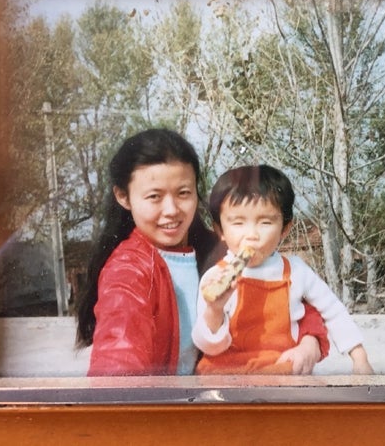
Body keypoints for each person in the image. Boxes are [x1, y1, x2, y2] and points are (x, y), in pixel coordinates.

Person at [75, 129, 329, 376]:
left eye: (183, 193)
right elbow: (119, 357)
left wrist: (311, 341)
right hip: (164, 410)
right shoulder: (128, 270)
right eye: (154, 197)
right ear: (123, 196)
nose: (172, 209)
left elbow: (293, 296)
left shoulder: (221, 254)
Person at [192, 164, 374, 375]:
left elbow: (333, 310)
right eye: (238, 223)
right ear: (220, 230)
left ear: (284, 229)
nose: (251, 235)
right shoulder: (215, 278)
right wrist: (214, 310)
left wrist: (359, 357)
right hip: (225, 376)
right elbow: (208, 346)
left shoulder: (297, 271)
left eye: (265, 222)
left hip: (279, 372)